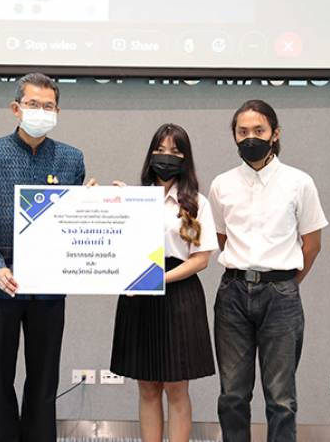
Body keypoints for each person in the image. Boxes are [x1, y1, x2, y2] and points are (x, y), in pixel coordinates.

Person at [0, 73, 85, 442]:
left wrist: (95, 203)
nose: (41, 111)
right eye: (33, 104)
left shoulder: (71, 159)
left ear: (57, 111)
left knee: (45, 378)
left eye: (48, 106)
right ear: (16, 108)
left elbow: (73, 220)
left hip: (49, 288)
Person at [208, 100, 328, 442]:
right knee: (232, 395)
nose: (250, 137)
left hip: (281, 296)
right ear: (234, 136)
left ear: (275, 134)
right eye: (242, 131)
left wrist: (285, 283)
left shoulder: (299, 182)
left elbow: (312, 244)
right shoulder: (221, 185)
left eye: (258, 130)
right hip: (232, 294)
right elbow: (221, 238)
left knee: (281, 399)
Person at [110, 123, 218, 442]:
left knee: (176, 386)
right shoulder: (133, 198)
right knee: (146, 385)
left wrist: (160, 279)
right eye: (160, 149)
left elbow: (201, 259)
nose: (166, 156)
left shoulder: (194, 203)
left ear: (185, 158)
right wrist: (102, 200)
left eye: (174, 151)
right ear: (150, 155)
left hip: (180, 294)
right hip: (138, 294)